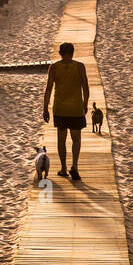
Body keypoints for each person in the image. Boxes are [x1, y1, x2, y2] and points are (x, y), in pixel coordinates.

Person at [42, 42, 90, 180]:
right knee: (76, 139)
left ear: (60, 53)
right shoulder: (80, 67)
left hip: (60, 109)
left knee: (61, 140)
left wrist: (45, 109)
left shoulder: (54, 67)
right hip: (76, 108)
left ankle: (63, 168)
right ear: (73, 52)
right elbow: (85, 88)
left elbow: (49, 89)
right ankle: (74, 165)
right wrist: (85, 104)